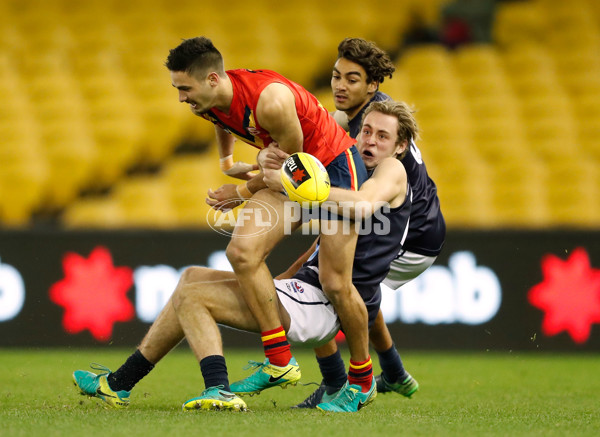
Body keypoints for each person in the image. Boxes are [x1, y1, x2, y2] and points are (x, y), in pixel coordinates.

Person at [72, 100, 414, 413]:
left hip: (324, 308)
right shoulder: (345, 172)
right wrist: (265, 171)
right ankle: (118, 384)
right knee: (190, 278)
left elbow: (364, 204)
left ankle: (220, 388)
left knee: (194, 296)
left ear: (399, 147)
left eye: (382, 136)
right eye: (366, 131)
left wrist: (296, 187)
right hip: (309, 295)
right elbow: (317, 246)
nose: (370, 141)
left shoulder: (391, 171)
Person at [166, 37, 378, 403]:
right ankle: (279, 359)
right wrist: (228, 164)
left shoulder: (271, 102)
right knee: (243, 253)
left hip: (334, 170)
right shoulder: (208, 99)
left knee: (335, 283)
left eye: (185, 88)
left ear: (213, 79)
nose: (181, 97)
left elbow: (292, 170)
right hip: (292, 174)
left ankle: (362, 377)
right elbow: (221, 120)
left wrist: (242, 192)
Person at [292, 37, 446, 408]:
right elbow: (313, 136)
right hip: (411, 221)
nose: (340, 86)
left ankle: (339, 383)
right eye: (335, 76)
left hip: (411, 230)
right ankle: (392, 371)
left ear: (372, 85)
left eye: (352, 79)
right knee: (341, 283)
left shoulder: (372, 122)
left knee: (324, 282)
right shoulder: (365, 113)